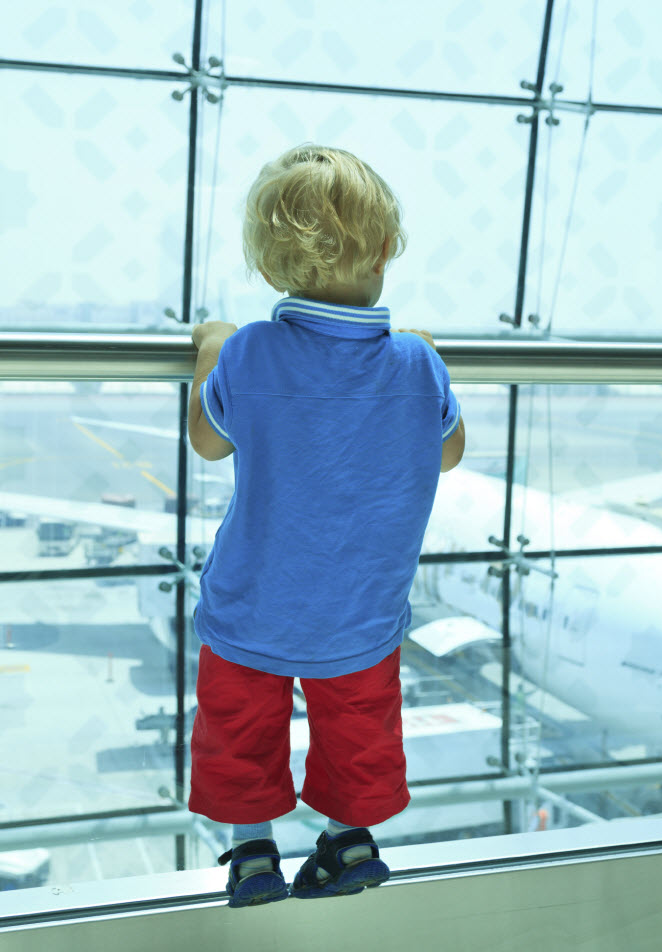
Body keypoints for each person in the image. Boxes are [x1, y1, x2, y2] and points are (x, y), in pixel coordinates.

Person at [187, 144, 465, 908]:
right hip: (362, 616)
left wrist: (210, 350)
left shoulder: (250, 352)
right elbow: (449, 452)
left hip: (256, 607)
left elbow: (208, 440)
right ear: (383, 251)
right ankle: (349, 840)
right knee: (359, 729)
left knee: (240, 724)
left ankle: (251, 855)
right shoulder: (415, 363)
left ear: (273, 266)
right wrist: (429, 365)